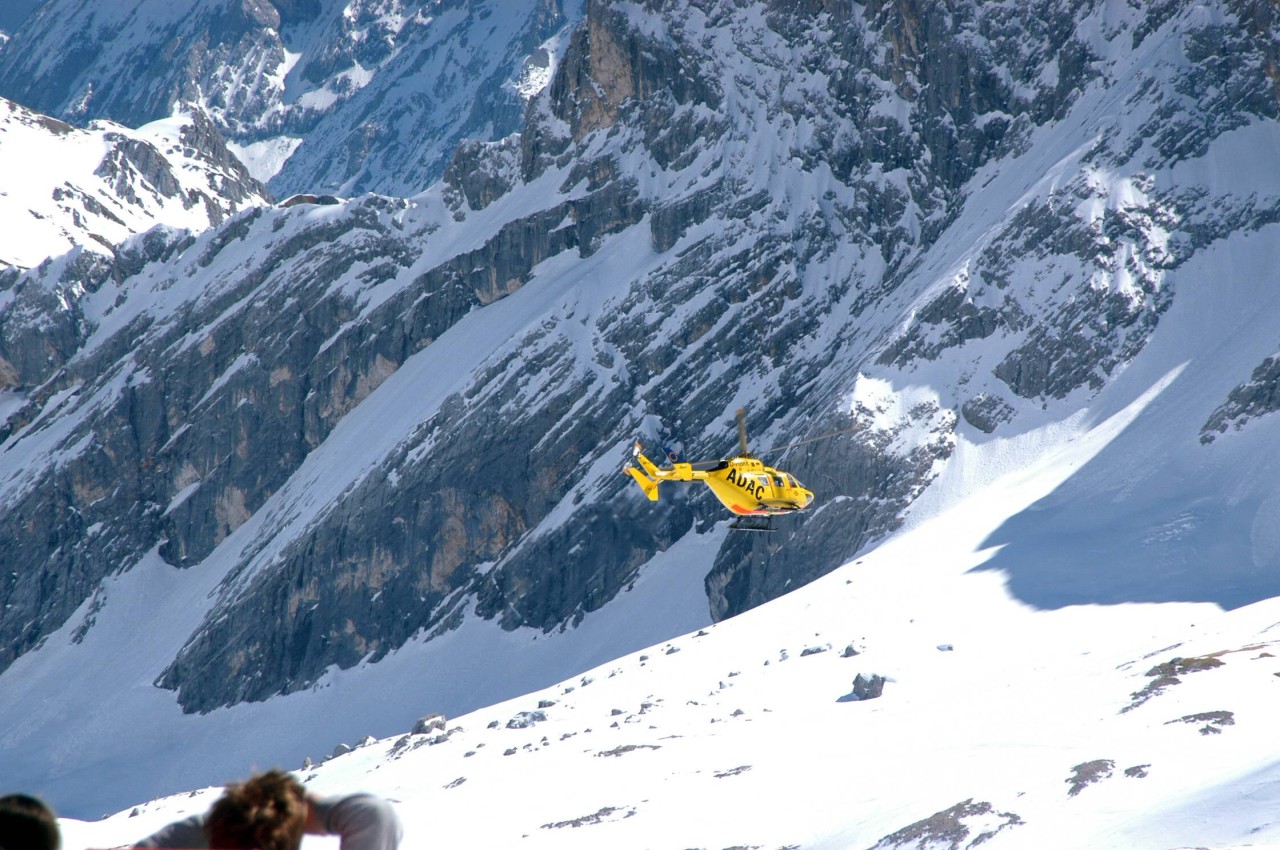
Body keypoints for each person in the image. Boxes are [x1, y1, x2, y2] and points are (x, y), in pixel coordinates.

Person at [133, 770, 400, 850]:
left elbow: (372, 814)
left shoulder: (205, 832)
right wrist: (309, 809)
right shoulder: (205, 832)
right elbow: (373, 814)